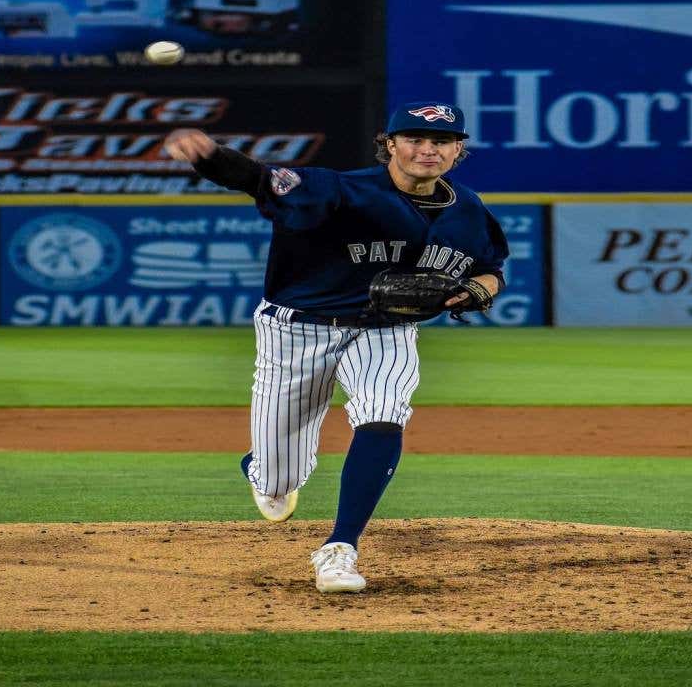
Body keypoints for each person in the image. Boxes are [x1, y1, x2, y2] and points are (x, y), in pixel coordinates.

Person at [164, 101, 508, 593]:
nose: (427, 149)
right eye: (413, 138)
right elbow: (259, 180)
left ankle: (339, 548)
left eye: (441, 141)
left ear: (458, 151)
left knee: (385, 412)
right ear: (389, 145)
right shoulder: (338, 189)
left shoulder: (468, 210)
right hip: (297, 330)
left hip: (384, 330)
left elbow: (490, 268)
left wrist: (478, 291)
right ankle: (264, 470)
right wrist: (208, 156)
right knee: (278, 481)